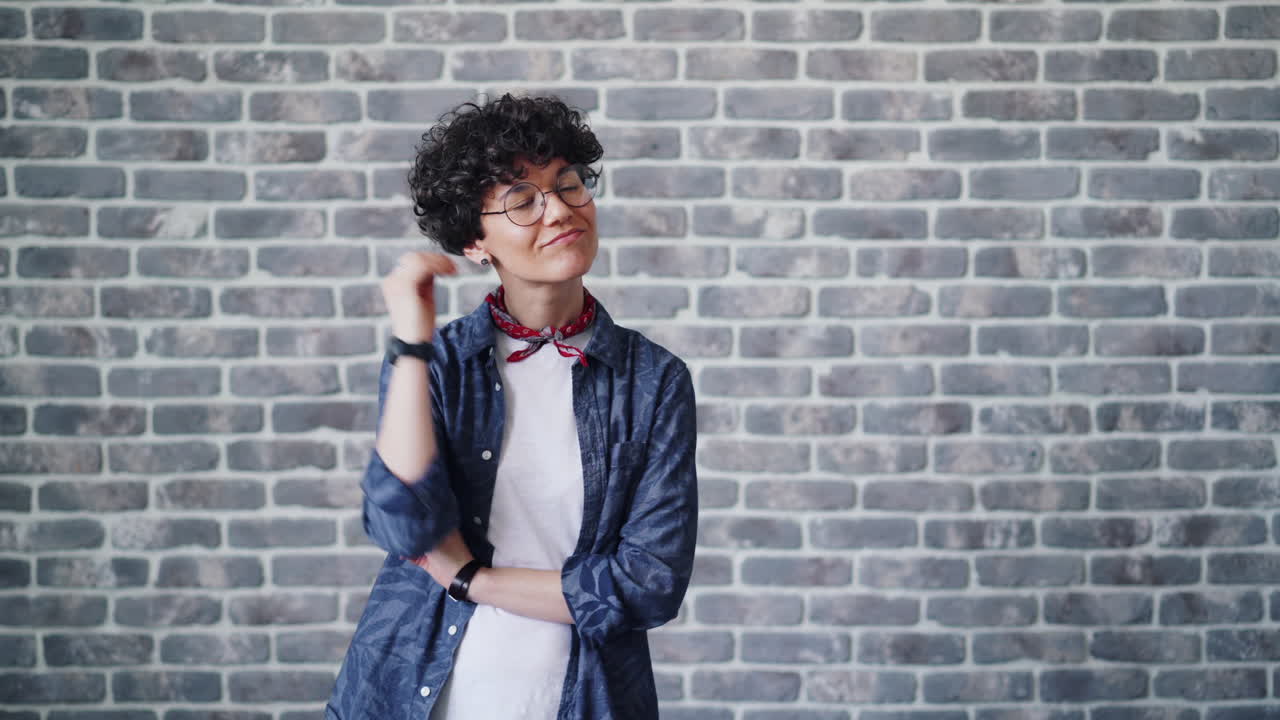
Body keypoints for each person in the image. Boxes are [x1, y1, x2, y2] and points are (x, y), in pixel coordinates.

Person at [326, 94, 699, 720]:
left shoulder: (653, 380)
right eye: (522, 200)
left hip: (586, 696)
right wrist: (412, 343)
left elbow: (649, 585)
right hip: (421, 694)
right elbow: (402, 526)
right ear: (476, 241)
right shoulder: (437, 362)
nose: (559, 209)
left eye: (567, 183)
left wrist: (473, 577)